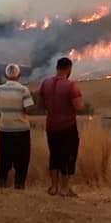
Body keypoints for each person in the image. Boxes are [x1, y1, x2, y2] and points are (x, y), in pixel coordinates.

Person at [39, 57, 84, 197]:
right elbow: (79, 107)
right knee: (68, 157)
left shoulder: (45, 83)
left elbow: (40, 106)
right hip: (67, 127)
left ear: (57, 68)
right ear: (69, 69)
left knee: (54, 156)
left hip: (51, 126)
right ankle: (65, 188)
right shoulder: (71, 86)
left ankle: (53, 187)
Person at [0, 64, 34, 189]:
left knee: (4, 158)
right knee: (22, 159)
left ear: (6, 75)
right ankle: (19, 184)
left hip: (5, 128)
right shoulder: (24, 90)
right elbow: (28, 109)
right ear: (19, 75)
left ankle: (1, 184)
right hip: (21, 129)